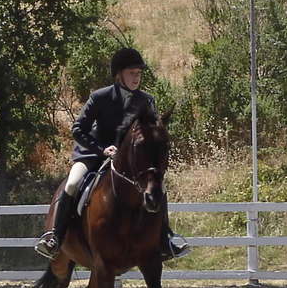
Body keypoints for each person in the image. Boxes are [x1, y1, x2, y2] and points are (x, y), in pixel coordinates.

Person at [34, 47, 190, 261]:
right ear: (119, 75)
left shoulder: (147, 100)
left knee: (157, 188)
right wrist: (102, 149)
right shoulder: (100, 97)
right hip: (93, 155)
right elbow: (78, 130)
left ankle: (165, 239)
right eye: (132, 73)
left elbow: (151, 134)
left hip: (129, 161)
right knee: (72, 184)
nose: (136, 78)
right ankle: (55, 238)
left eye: (139, 73)